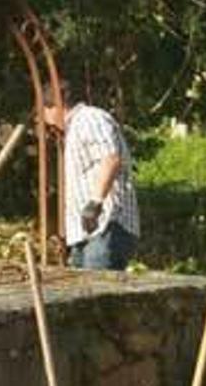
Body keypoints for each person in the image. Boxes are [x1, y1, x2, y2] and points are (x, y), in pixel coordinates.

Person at [43, 84, 139, 270]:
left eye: (44, 112)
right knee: (81, 293)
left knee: (97, 291)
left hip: (107, 226)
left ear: (54, 106)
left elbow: (110, 159)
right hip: (85, 233)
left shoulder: (89, 118)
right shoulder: (72, 130)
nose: (46, 122)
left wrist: (95, 203)